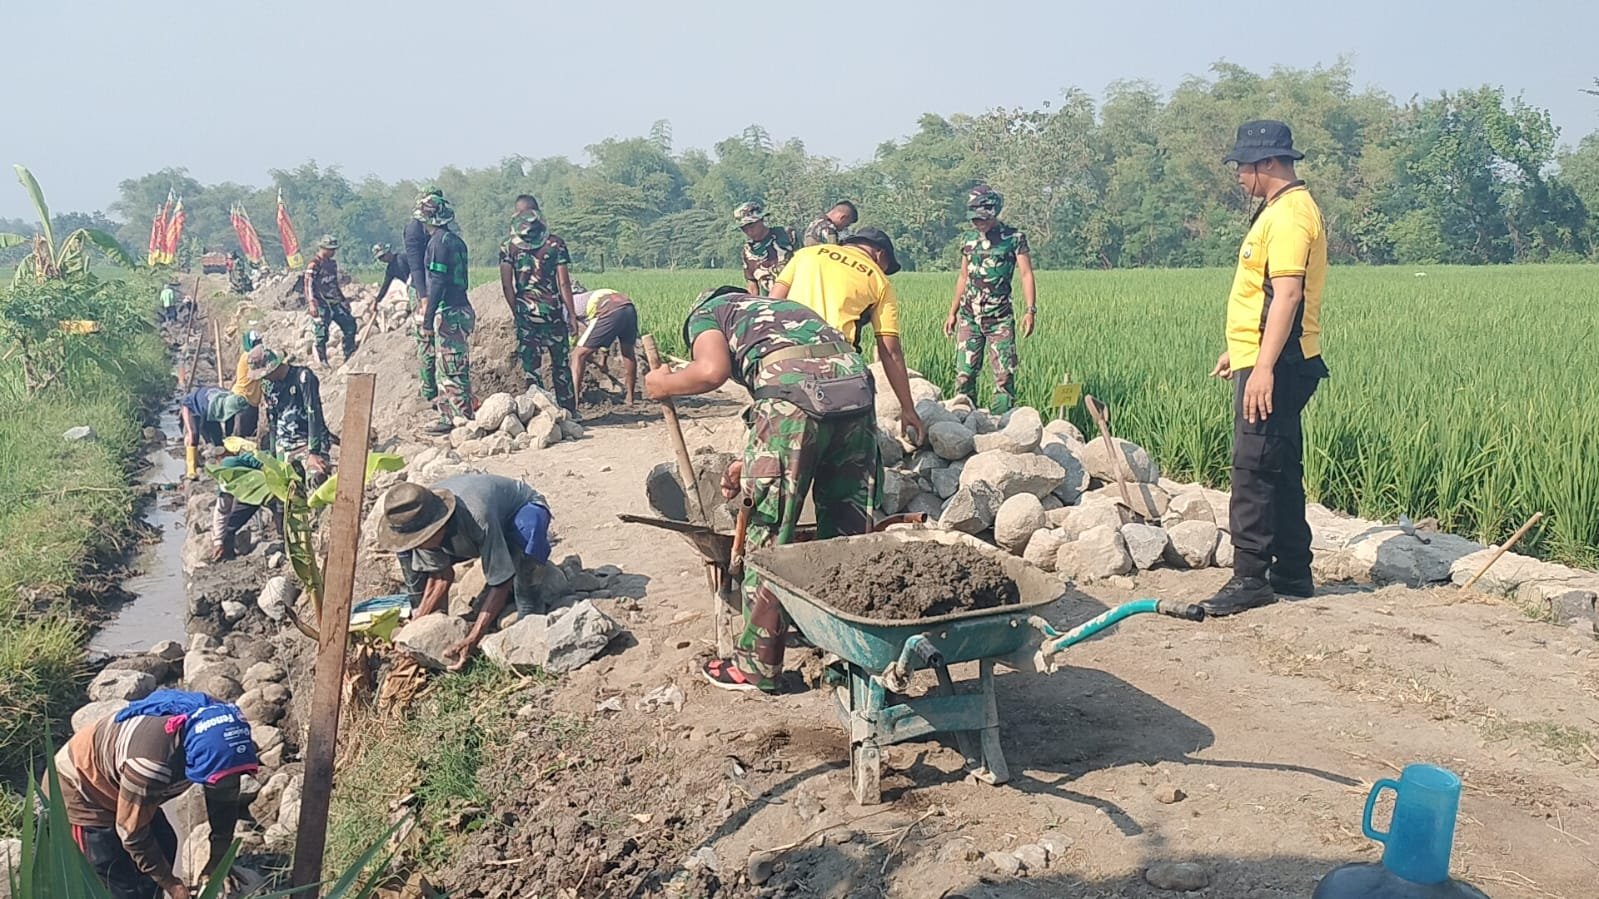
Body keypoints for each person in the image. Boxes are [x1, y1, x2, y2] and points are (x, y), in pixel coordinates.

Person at [645, 287, 878, 693]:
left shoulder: (709, 312)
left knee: (767, 537)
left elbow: (711, 372)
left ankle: (757, 668)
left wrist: (664, 384)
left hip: (793, 404)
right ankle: (851, 659)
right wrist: (747, 461)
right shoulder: (783, 310)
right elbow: (799, 392)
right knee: (848, 535)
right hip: (856, 394)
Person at [1201, 120, 1330, 617]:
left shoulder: (1292, 215)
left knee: (1253, 467)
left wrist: (1264, 368)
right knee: (1280, 465)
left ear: (1269, 163)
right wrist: (1242, 349)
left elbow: (1289, 294)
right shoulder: (1279, 211)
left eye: (1243, 166)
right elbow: (1267, 297)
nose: (1238, 175)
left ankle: (1250, 577)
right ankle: (1293, 572)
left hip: (1280, 363)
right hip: (1268, 355)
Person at [51, 690, 259, 899]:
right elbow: (131, 832)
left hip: (127, 783)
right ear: (192, 757)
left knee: (166, 844)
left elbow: (223, 804)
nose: (226, 784)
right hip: (82, 789)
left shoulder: (223, 724)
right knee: (119, 880)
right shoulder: (151, 765)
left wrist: (218, 862)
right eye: (217, 779)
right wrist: (172, 885)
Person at [374, 476, 554, 671]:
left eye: (420, 539)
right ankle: (427, 616)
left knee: (528, 532)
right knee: (405, 551)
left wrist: (473, 638)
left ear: (437, 526)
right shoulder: (417, 515)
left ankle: (530, 612)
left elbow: (501, 581)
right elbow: (441, 576)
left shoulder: (477, 516)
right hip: (466, 534)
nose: (417, 544)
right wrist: (418, 626)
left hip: (519, 513)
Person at [770, 227, 925, 445]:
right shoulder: (879, 280)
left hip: (781, 357)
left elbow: (772, 303)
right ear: (880, 254)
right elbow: (890, 351)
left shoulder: (806, 254)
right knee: (849, 451)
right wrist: (908, 409)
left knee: (779, 443)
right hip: (835, 368)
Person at [210, 345, 333, 559]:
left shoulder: (303, 377)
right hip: (282, 449)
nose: (264, 378)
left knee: (316, 481)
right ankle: (289, 544)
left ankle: (320, 537)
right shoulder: (267, 385)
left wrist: (314, 452)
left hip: (306, 445)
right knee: (279, 495)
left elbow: (314, 414)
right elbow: (273, 423)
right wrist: (274, 459)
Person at [943, 186, 1036, 414]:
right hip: (969, 317)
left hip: (999, 318)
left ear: (994, 213)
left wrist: (1030, 310)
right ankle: (964, 421)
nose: (978, 223)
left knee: (1004, 375)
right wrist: (952, 313)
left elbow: (1026, 274)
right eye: (974, 219)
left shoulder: (1014, 239)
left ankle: (1001, 425)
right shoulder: (968, 240)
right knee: (964, 374)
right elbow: (963, 276)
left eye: (982, 218)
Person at [498, 212, 578, 413]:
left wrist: (517, 311)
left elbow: (507, 286)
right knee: (561, 365)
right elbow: (564, 283)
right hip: (553, 313)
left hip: (526, 315)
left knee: (532, 368)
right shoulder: (555, 244)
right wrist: (572, 314)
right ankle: (570, 411)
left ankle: (538, 412)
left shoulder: (508, 247)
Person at [422, 200, 474, 434]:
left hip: (450, 310)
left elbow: (438, 282)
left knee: (451, 367)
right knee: (449, 366)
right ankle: (450, 413)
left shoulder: (438, 244)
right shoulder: (457, 241)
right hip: (461, 305)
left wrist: (427, 317)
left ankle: (459, 417)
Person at [569, 287, 639, 403]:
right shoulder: (586, 298)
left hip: (608, 310)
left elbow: (585, 336)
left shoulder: (568, 307)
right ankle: (630, 398)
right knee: (628, 353)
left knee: (578, 355)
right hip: (628, 308)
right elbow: (604, 337)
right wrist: (603, 362)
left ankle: (573, 401)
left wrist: (584, 353)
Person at [406, 188, 443, 402]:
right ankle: (429, 390)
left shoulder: (440, 225)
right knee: (427, 339)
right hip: (422, 288)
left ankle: (444, 387)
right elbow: (415, 266)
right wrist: (423, 297)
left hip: (439, 286)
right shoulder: (414, 229)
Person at [303, 235, 358, 366]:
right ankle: (322, 360)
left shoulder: (332, 264)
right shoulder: (314, 264)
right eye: (330, 249)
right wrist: (311, 302)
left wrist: (343, 300)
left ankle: (349, 354)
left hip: (334, 302)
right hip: (320, 303)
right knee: (321, 332)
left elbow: (334, 284)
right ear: (322, 248)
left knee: (350, 325)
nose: (333, 252)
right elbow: (308, 284)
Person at [178, 385, 248, 479]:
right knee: (193, 435)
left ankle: (222, 466)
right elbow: (203, 427)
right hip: (190, 405)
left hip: (211, 405)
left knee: (218, 438)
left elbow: (229, 423)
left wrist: (229, 441)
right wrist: (209, 443)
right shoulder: (208, 407)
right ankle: (191, 470)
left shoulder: (231, 400)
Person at [735, 201, 795, 295]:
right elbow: (752, 285)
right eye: (744, 228)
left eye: (751, 225)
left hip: (798, 294)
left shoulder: (787, 235)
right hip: (772, 302)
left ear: (761, 220)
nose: (749, 231)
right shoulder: (748, 252)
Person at [229, 329, 264, 438]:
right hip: (243, 399)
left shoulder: (253, 355)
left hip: (250, 401)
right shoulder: (250, 357)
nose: (258, 345)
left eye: (259, 342)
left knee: (247, 436)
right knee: (240, 438)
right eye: (256, 342)